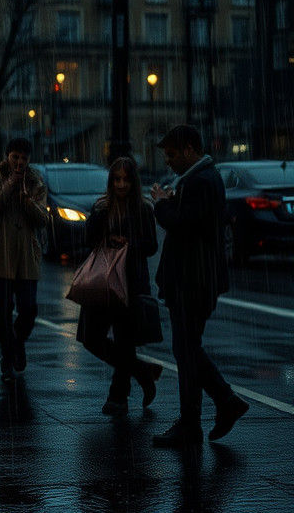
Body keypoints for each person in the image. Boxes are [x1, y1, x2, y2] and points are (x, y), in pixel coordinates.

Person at [150, 125, 248, 447]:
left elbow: (183, 224)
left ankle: (213, 409)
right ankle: (210, 410)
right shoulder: (200, 178)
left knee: (186, 349)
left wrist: (161, 205)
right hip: (194, 278)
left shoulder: (200, 180)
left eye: (173, 155)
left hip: (193, 280)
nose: (169, 162)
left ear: (190, 149)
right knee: (187, 349)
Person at [78, 157, 163, 416]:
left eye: (126, 179)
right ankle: (141, 371)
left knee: (125, 340)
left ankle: (118, 396)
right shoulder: (103, 206)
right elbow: (88, 239)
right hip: (102, 281)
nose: (122, 184)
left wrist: (127, 243)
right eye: (117, 179)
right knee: (91, 338)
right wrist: (106, 233)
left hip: (131, 282)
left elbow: (151, 246)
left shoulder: (143, 209)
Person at [0, 137, 49, 383]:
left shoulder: (36, 183)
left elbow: (43, 219)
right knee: (2, 312)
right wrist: (7, 189)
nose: (19, 163)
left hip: (26, 257)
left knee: (29, 309)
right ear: (7, 157)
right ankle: (7, 357)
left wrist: (27, 199)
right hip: (0, 255)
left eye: (23, 158)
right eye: (15, 157)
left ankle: (17, 343)